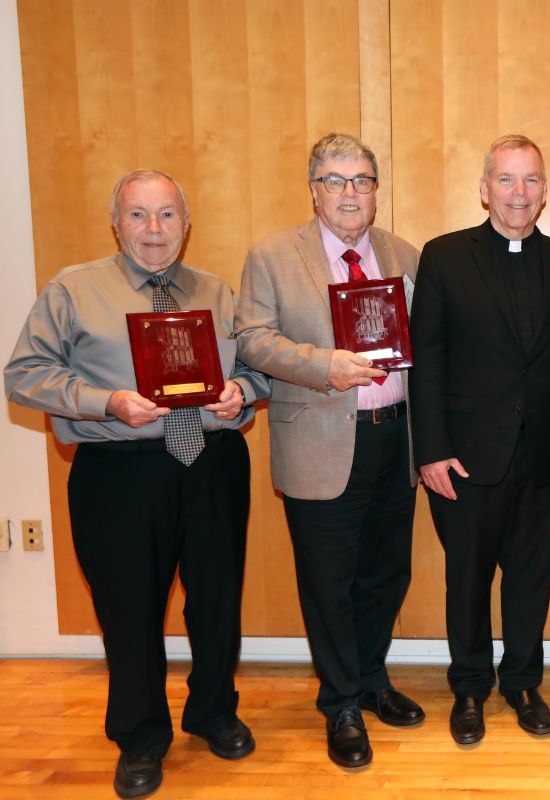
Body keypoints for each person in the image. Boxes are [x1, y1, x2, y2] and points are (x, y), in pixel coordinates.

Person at [5, 169, 268, 798]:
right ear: (116, 223)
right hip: (117, 472)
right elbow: (24, 373)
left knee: (216, 600)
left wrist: (243, 393)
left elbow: (261, 370)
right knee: (128, 609)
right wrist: (105, 400)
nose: (155, 230)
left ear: (186, 220)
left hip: (212, 464)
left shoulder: (217, 292)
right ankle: (141, 736)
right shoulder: (73, 289)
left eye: (168, 215)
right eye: (140, 216)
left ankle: (213, 712)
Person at [234, 133, 423, 769]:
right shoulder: (272, 255)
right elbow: (252, 339)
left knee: (386, 572)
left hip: (394, 439)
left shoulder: (406, 254)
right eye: (336, 180)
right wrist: (324, 365)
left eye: (362, 180)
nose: (350, 193)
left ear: (376, 189)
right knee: (329, 583)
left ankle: (372, 680)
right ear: (313, 188)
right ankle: (339, 700)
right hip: (319, 442)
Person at [409, 134, 550, 746]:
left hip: (539, 455)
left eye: (531, 180)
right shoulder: (444, 256)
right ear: (484, 189)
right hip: (462, 457)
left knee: (530, 576)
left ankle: (522, 682)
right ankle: (469, 687)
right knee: (466, 577)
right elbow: (426, 361)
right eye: (507, 180)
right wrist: (429, 449)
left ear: (545, 193)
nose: (519, 192)